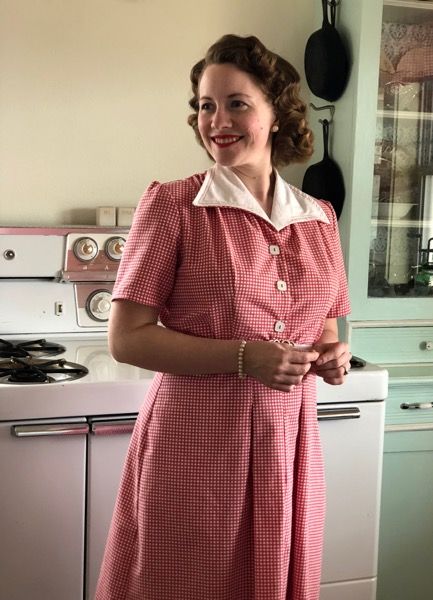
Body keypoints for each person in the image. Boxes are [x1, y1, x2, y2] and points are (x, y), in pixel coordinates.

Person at [96, 33, 351, 600]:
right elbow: (126, 339)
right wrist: (244, 356)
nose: (217, 121)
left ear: (277, 115)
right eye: (206, 106)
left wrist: (332, 357)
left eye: (237, 103)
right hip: (196, 451)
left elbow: (326, 329)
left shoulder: (319, 218)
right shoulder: (174, 206)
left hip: (288, 447)